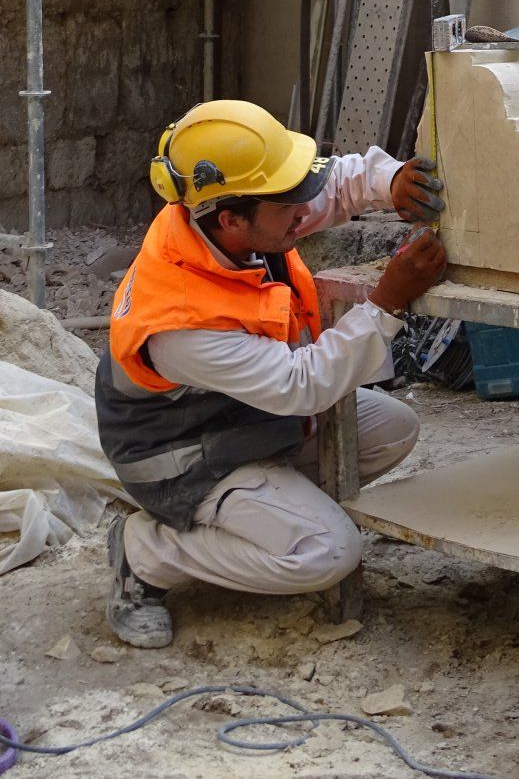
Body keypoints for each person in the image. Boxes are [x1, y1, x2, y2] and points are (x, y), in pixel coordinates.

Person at [94, 99, 447, 648]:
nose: (304, 210)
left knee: (392, 428)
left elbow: (330, 186)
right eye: (288, 204)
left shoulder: (232, 217)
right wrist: (384, 305)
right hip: (185, 458)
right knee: (327, 552)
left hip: (240, 415)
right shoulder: (181, 324)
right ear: (233, 219)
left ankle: (270, 516)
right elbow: (301, 384)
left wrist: (392, 180)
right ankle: (147, 552)